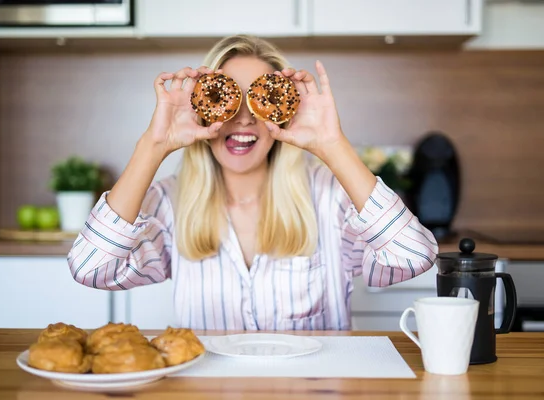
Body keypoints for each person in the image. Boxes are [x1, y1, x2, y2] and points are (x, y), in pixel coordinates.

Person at [67, 34, 438, 331]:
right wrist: (153, 145)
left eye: (259, 102)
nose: (242, 119)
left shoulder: (328, 198)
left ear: (284, 112)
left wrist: (332, 145)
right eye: (226, 100)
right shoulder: (168, 204)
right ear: (200, 108)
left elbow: (414, 256)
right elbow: (91, 268)